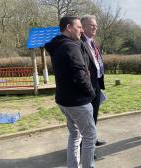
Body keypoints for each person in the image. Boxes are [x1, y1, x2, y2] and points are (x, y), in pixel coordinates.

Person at [45, 16, 97, 168]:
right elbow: (80, 75)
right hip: (77, 102)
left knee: (75, 135)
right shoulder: (71, 47)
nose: (82, 30)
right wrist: (91, 94)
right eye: (79, 27)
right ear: (69, 27)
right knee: (90, 136)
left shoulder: (57, 45)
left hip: (63, 100)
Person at [80, 15, 106, 147]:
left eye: (96, 25)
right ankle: (85, 147)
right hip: (86, 86)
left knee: (94, 115)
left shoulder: (92, 42)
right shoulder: (80, 43)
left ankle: (92, 140)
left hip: (96, 84)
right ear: (83, 27)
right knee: (86, 119)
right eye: (92, 25)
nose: (95, 27)